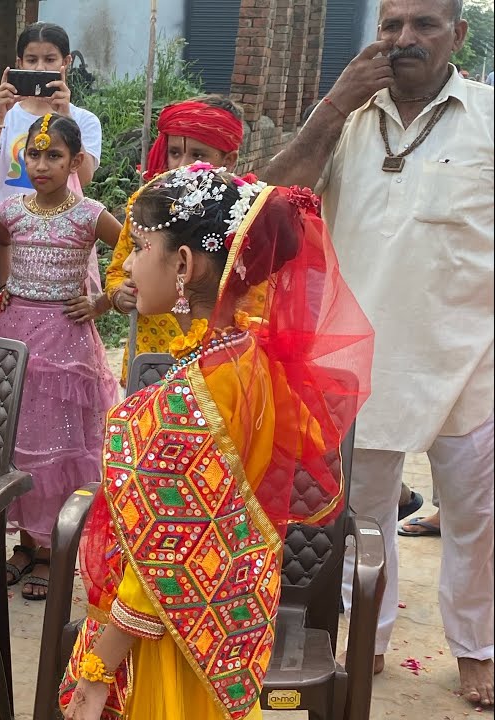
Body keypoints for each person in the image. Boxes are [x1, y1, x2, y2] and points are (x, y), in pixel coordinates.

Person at [59, 164, 373, 720]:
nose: (128, 264)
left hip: (169, 634)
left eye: (141, 246)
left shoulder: (196, 393)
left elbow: (164, 552)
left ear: (182, 264)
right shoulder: (252, 356)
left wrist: (98, 668)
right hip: (222, 611)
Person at [261, 0, 494, 705]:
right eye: (391, 25)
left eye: (423, 25)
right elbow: (272, 200)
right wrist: (332, 108)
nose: (403, 39)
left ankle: (478, 648)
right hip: (355, 359)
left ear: (457, 35)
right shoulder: (345, 118)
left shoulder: (487, 116)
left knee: (478, 517)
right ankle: (373, 634)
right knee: (360, 513)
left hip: (472, 357)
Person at [0, 114, 121, 600]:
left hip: (67, 342)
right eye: (34, 154)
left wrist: (101, 299)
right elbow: (2, 245)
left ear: (75, 161)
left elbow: (132, 252)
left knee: (59, 444)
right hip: (18, 335)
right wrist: (6, 288)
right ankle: (24, 545)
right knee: (19, 439)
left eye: (53, 156)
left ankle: (51, 550)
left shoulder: (89, 214)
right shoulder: (12, 211)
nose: (41, 165)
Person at [103, 95, 244, 386]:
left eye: (198, 154)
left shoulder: (236, 219)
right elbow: (118, 270)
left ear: (228, 160)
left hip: (213, 353)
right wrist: (120, 294)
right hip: (150, 351)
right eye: (175, 152)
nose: (182, 164)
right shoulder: (146, 208)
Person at [0, 22, 103, 323]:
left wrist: (65, 118)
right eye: (32, 60)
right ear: (18, 64)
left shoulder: (84, 120)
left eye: (50, 59)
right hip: (5, 243)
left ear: (66, 63)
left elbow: (84, 176)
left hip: (62, 245)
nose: (40, 67)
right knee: (8, 322)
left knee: (62, 323)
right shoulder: (1, 118)